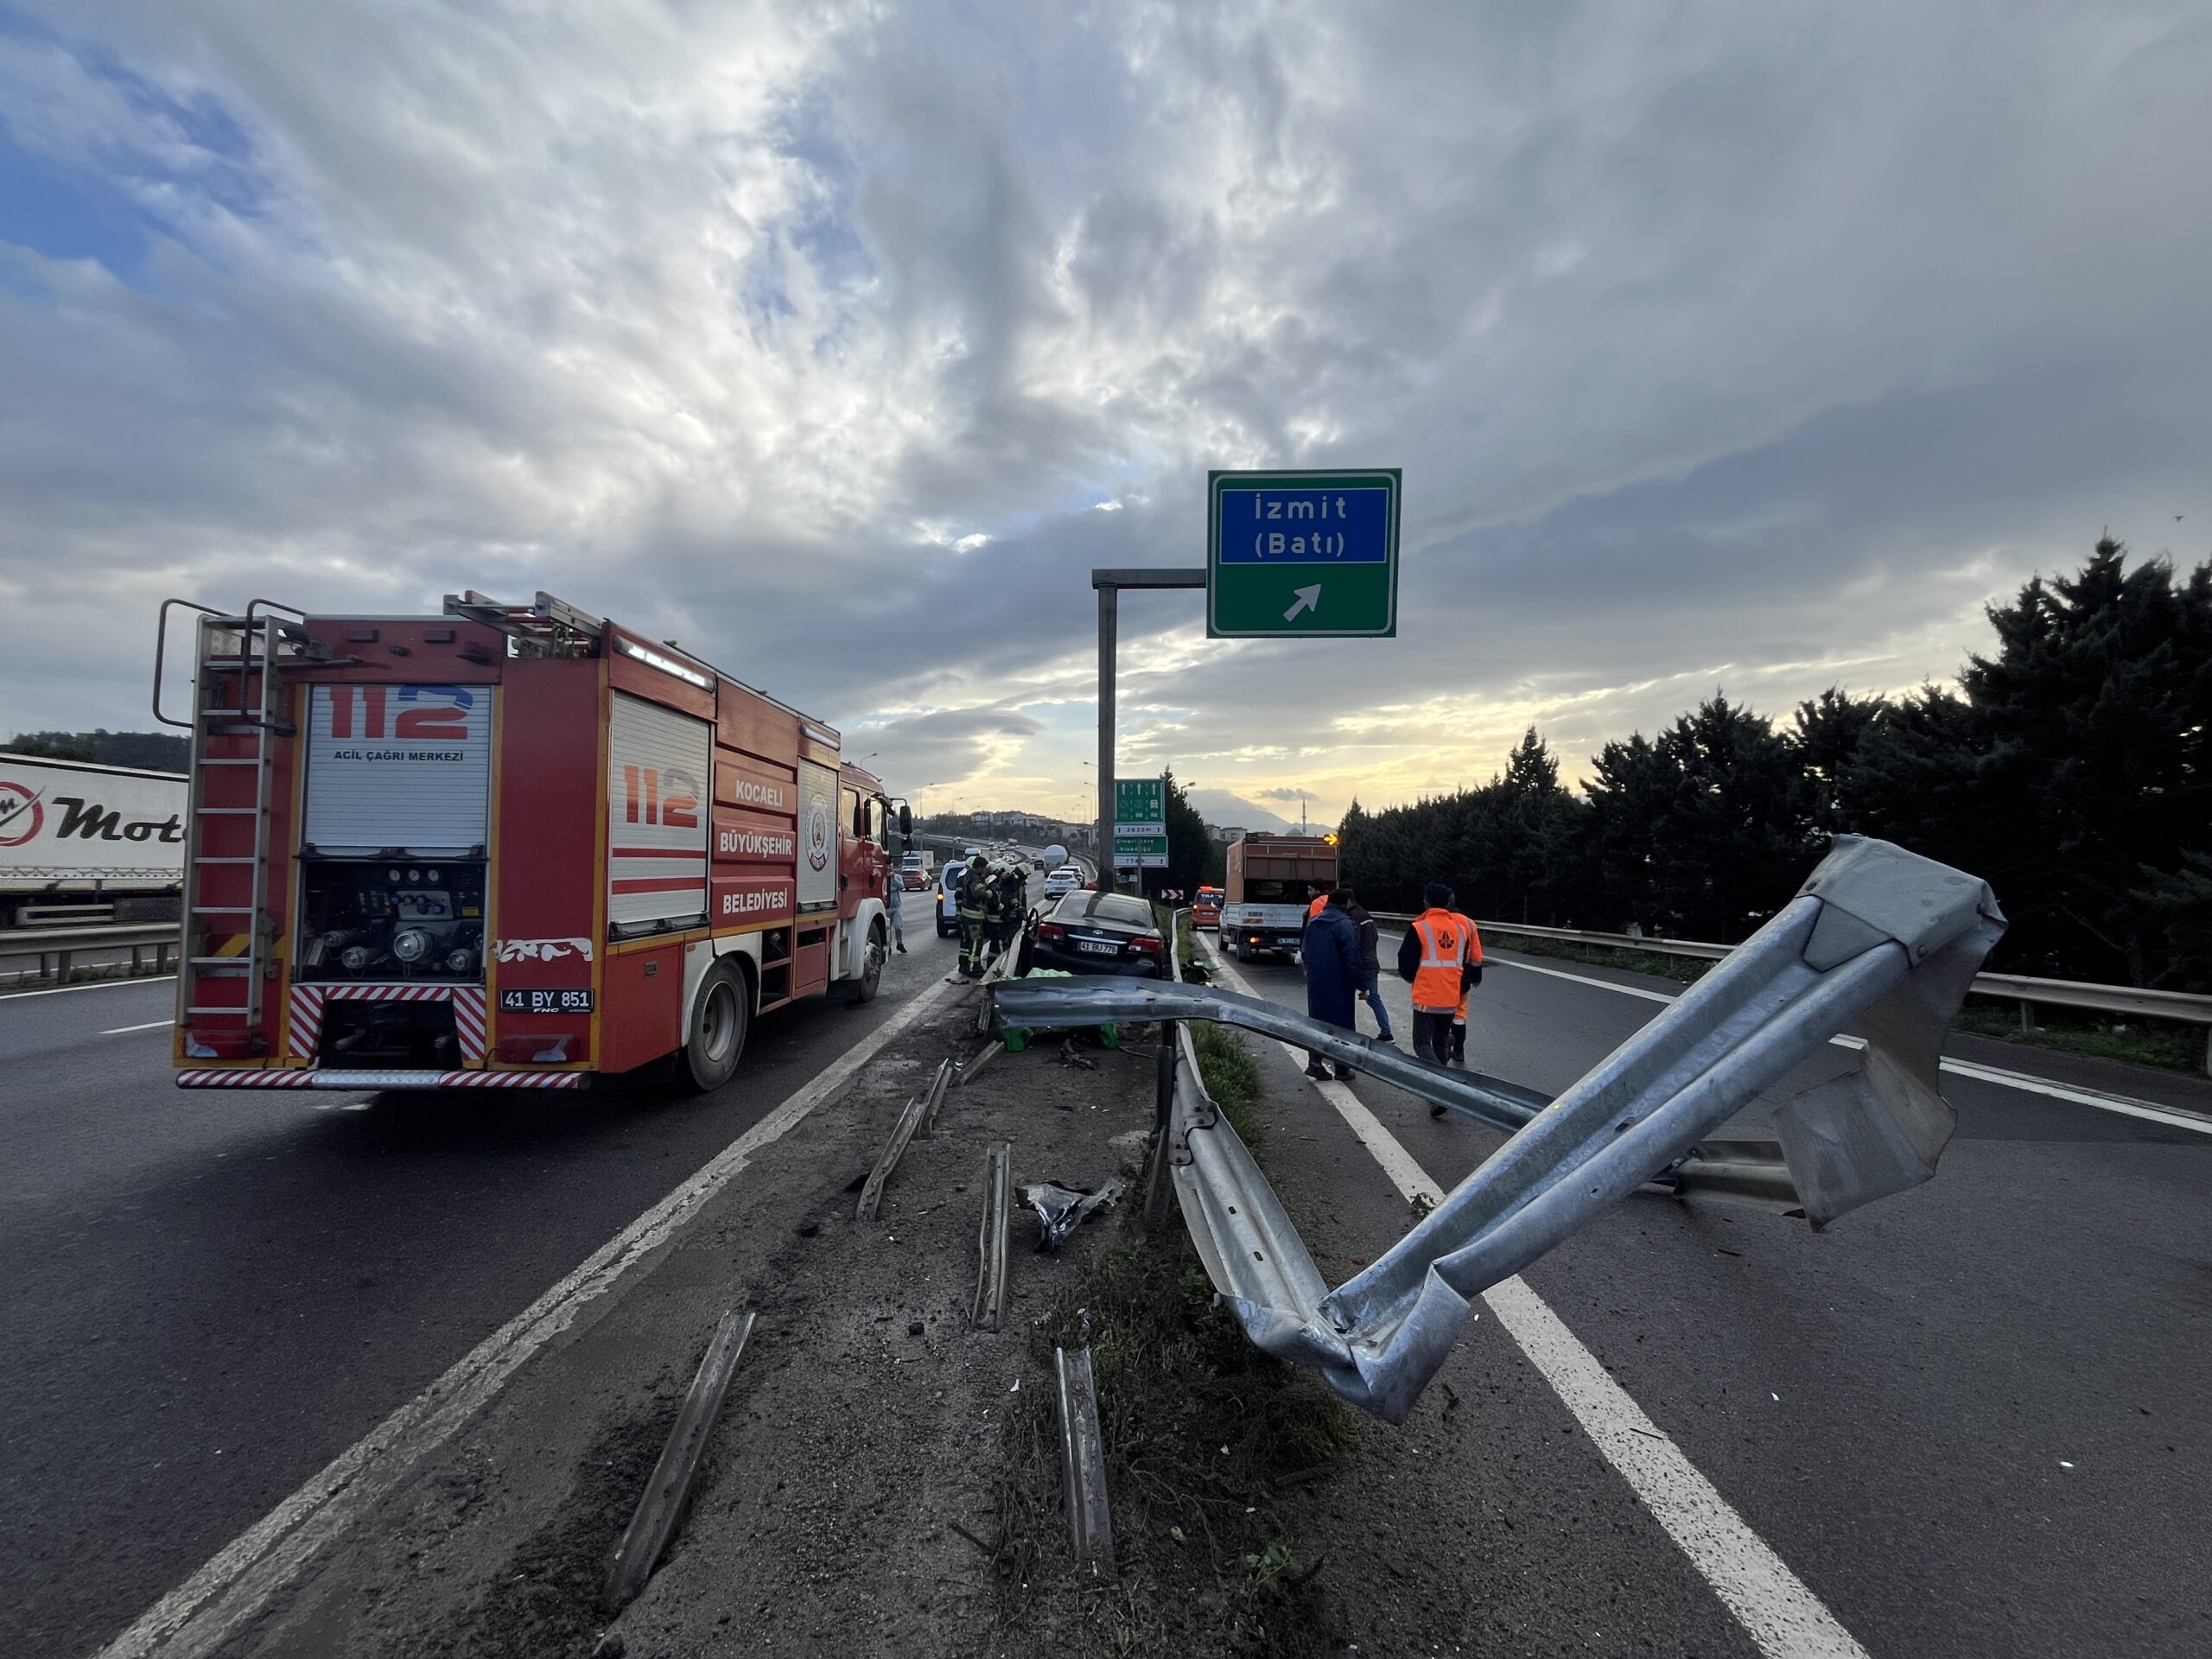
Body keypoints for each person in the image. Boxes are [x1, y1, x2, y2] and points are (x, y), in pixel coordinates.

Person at [1397, 882, 1478, 1103]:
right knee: (1440, 1044)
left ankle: (1442, 1088)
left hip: (1426, 997)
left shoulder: (1420, 927)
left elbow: (1405, 964)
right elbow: (1465, 963)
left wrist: (1414, 979)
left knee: (1421, 1044)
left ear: (1427, 902)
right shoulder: (1461, 929)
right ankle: (1437, 1098)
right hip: (1451, 997)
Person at [1300, 889, 1364, 1082]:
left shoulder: (1313, 923)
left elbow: (1304, 951)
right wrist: (1361, 984)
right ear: (1345, 904)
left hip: (1316, 982)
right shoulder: (1344, 925)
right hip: (1340, 984)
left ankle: (1315, 1063)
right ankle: (1342, 1068)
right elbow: (1352, 959)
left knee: (1317, 1023)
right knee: (1343, 1027)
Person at [1335, 886, 1394, 1045]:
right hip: (1372, 962)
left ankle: (1342, 1031)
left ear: (1347, 901)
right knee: (1374, 998)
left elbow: (1352, 944)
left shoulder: (1352, 918)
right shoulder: (1365, 914)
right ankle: (1386, 1032)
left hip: (1361, 965)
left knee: (1343, 998)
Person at [1447, 893, 1483, 1065]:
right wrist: (1476, 977)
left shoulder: (1436, 922)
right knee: (1459, 1016)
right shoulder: (1469, 923)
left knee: (1440, 1014)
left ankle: (1442, 1048)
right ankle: (1459, 1051)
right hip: (1463, 975)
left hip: (1440, 977)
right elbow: (1476, 955)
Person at [957, 859, 993, 977]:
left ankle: (965, 965)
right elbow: (980, 894)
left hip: (968, 915)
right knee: (976, 941)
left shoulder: (968, 875)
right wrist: (991, 892)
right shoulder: (974, 879)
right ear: (981, 867)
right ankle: (973, 968)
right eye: (984, 868)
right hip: (974, 917)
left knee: (968, 942)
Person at [883, 863, 906, 954]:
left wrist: (893, 879)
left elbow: (901, 887)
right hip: (886, 908)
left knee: (898, 926)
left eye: (891, 867)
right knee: (887, 929)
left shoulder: (897, 877)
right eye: (888, 867)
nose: (890, 869)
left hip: (896, 907)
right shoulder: (883, 878)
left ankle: (899, 943)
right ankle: (888, 946)